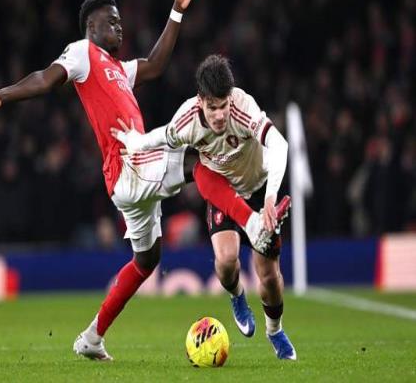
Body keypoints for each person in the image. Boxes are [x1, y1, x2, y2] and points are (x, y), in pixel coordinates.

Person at [0, 0, 280, 361]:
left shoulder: (119, 70)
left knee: (148, 260)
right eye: (111, 22)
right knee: (198, 159)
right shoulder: (82, 54)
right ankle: (251, 223)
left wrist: (177, 11)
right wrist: (2, 94)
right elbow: (45, 79)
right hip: (129, 164)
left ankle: (92, 337)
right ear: (91, 27)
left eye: (119, 22)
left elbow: (156, 64)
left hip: (128, 181)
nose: (119, 27)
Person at [112, 54, 296, 360]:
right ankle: (237, 296)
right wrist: (135, 142)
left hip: (259, 189)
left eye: (224, 106)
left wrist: (269, 198)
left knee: (268, 278)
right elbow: (164, 136)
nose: (220, 115)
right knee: (226, 261)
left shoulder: (243, 107)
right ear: (201, 101)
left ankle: (274, 330)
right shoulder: (188, 120)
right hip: (224, 192)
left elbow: (280, 145)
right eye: (213, 108)